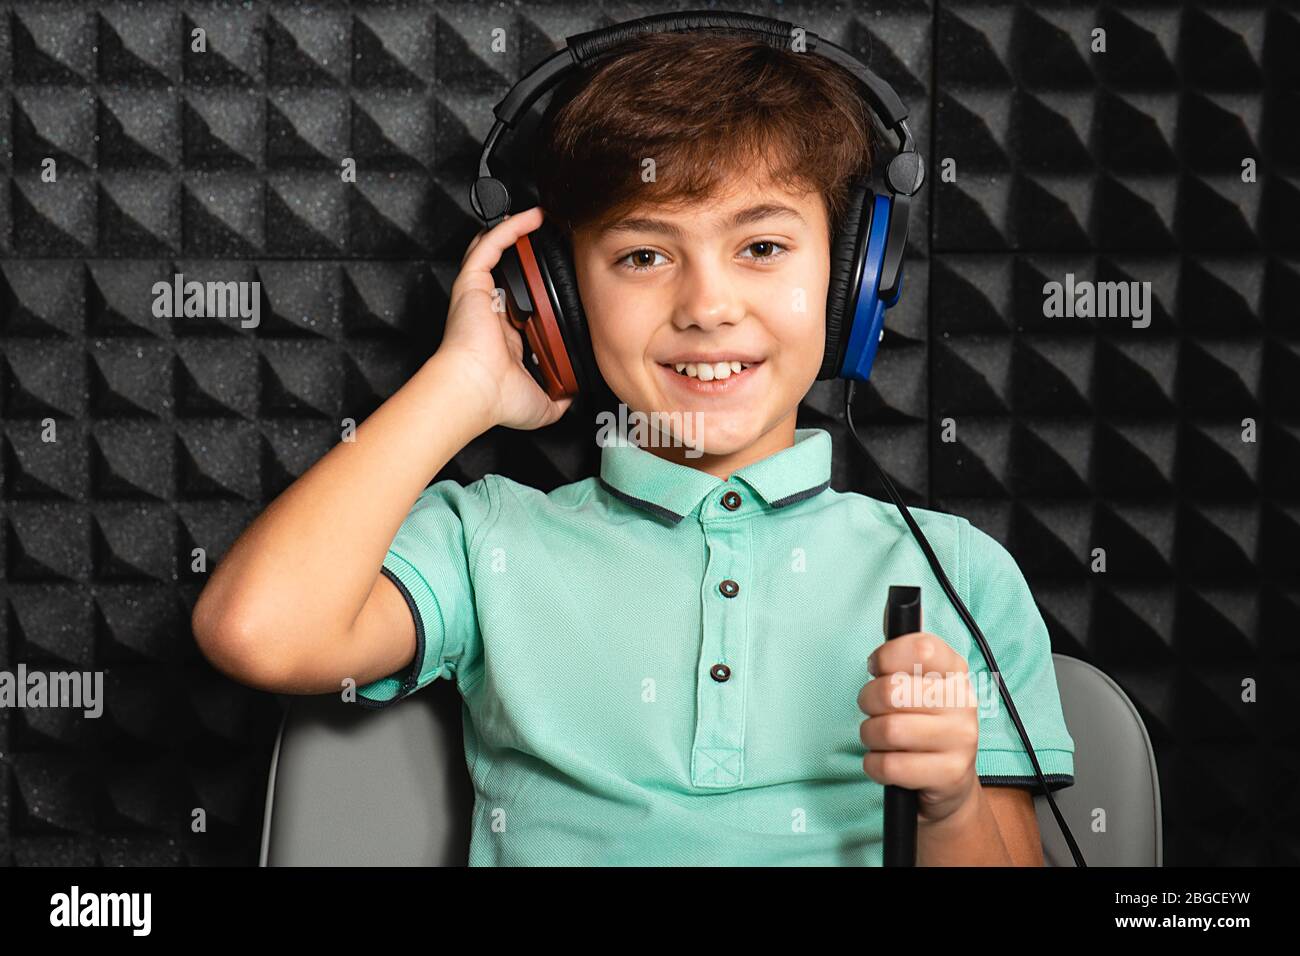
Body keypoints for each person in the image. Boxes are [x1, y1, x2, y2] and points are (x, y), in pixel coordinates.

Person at [192, 30, 1074, 866]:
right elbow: (257, 632)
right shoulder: (486, 539)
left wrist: (951, 801)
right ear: (560, 300)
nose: (707, 305)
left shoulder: (956, 571)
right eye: (644, 256)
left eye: (762, 246)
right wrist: (460, 387)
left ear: (854, 284)